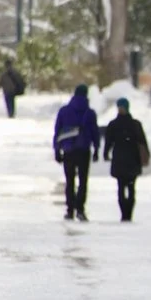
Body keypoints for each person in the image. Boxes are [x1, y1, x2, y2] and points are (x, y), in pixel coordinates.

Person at [53, 80, 100, 219]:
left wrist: (57, 150)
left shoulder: (64, 111)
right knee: (83, 181)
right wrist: (96, 149)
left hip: (69, 150)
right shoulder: (90, 113)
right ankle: (80, 208)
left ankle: (70, 209)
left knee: (70, 181)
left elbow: (58, 132)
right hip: (84, 150)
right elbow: (94, 132)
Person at [102, 94, 150, 219]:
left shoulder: (114, 124)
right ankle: (126, 213)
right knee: (129, 187)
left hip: (121, 159)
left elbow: (108, 142)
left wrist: (106, 153)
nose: (120, 109)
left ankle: (125, 213)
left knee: (123, 187)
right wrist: (146, 155)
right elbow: (142, 141)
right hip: (132, 160)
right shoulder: (135, 124)